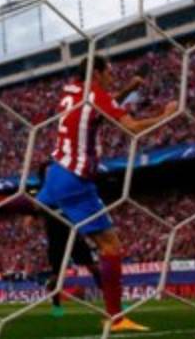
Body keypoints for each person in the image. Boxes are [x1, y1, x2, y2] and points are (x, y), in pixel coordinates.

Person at [36, 55, 176, 333]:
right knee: (110, 246)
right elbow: (132, 127)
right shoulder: (96, 94)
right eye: (109, 71)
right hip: (75, 178)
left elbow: (101, 103)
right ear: (97, 72)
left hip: (56, 170)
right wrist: (167, 115)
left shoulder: (72, 89)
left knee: (31, 206)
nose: (112, 76)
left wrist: (127, 89)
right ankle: (116, 316)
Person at [0, 162, 104, 318]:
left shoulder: (68, 190)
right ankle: (56, 306)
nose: (52, 176)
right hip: (57, 239)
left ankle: (113, 302)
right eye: (48, 173)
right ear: (43, 177)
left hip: (75, 236)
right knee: (56, 278)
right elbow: (17, 202)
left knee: (95, 269)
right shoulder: (43, 196)